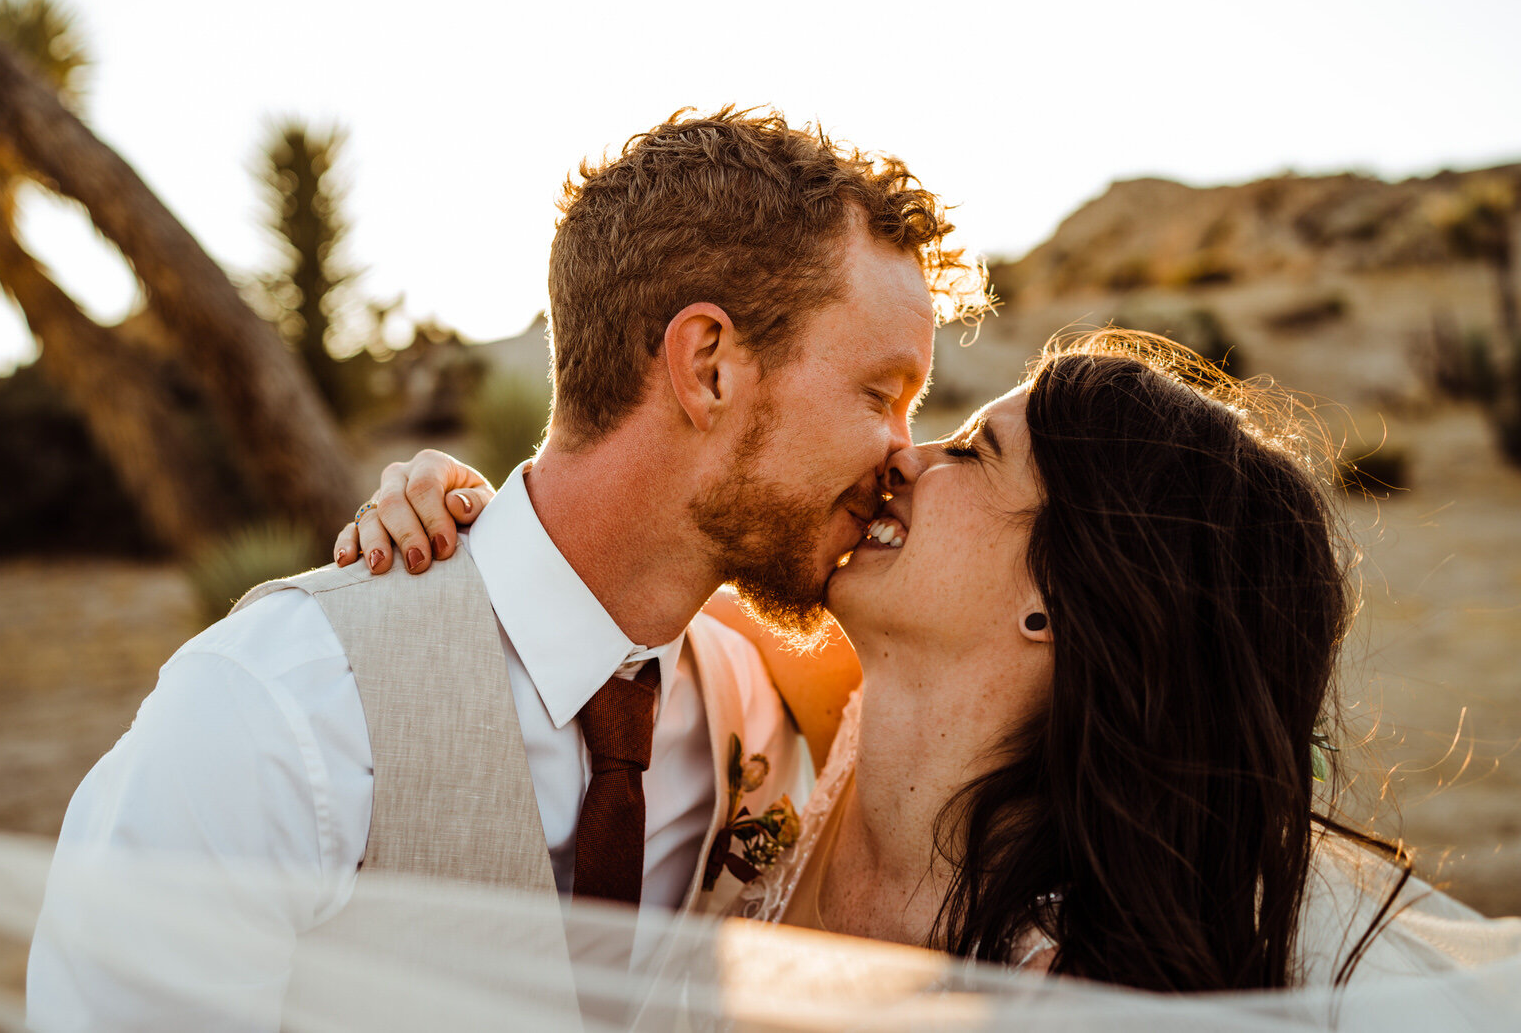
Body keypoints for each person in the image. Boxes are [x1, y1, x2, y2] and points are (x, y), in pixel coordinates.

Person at [26, 106, 966, 1030]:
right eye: (881, 394)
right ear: (709, 366)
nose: (903, 454)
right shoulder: (270, 714)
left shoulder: (764, 695)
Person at [356, 328, 1492, 995]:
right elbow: (606, 567)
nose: (903, 457)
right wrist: (464, 514)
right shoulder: (834, 704)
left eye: (970, 452)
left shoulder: (1056, 982)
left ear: (1059, 597)